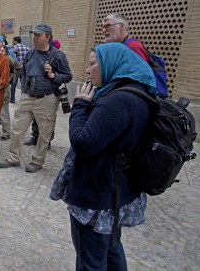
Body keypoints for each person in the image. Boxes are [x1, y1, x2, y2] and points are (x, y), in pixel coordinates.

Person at [50, 43, 155, 270]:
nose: (87, 71)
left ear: (111, 64)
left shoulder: (118, 101)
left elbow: (82, 142)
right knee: (111, 248)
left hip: (98, 195)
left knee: (91, 260)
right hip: (114, 192)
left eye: (92, 64)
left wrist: (79, 106)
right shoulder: (135, 92)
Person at [0, 23, 72, 172]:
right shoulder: (31, 53)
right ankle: (13, 158)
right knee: (18, 128)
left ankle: (37, 161)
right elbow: (24, 71)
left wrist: (53, 75)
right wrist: (24, 90)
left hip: (47, 98)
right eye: (34, 35)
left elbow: (68, 76)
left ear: (48, 37)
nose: (35, 38)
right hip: (28, 97)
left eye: (38, 35)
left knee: (44, 132)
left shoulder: (58, 55)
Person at [24, 38, 61, 148]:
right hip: (36, 93)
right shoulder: (36, 56)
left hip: (51, 93)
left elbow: (66, 75)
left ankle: (47, 141)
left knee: (48, 120)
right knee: (35, 117)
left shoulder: (58, 58)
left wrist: (53, 74)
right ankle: (35, 136)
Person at [0, 37, 22, 141]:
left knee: (3, 111)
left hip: (4, 88)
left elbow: (19, 68)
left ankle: (6, 132)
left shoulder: (7, 58)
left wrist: (11, 77)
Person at [10, 36, 28, 103]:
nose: (12, 42)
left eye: (13, 40)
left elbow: (12, 59)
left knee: (13, 84)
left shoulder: (14, 48)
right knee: (23, 84)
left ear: (15, 41)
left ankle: (12, 99)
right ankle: (23, 99)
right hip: (24, 69)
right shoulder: (27, 48)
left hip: (16, 69)